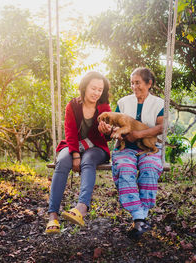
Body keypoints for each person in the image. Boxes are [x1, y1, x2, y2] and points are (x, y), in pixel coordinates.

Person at [45, 71, 112, 234]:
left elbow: (107, 136)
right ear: (84, 87)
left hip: (96, 148)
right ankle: (53, 214)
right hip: (74, 145)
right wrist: (75, 154)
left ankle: (81, 208)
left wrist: (108, 131)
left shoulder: (104, 107)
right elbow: (70, 132)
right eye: (93, 88)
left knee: (88, 160)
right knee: (62, 161)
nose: (97, 93)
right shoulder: (73, 105)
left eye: (100, 89)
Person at [111, 67, 164, 240]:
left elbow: (162, 127)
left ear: (149, 84)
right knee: (125, 169)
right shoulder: (124, 102)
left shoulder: (159, 103)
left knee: (150, 168)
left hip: (149, 146)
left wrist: (139, 134)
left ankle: (140, 217)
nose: (134, 87)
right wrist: (110, 129)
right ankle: (139, 216)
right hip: (125, 146)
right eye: (132, 83)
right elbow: (114, 123)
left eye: (138, 83)